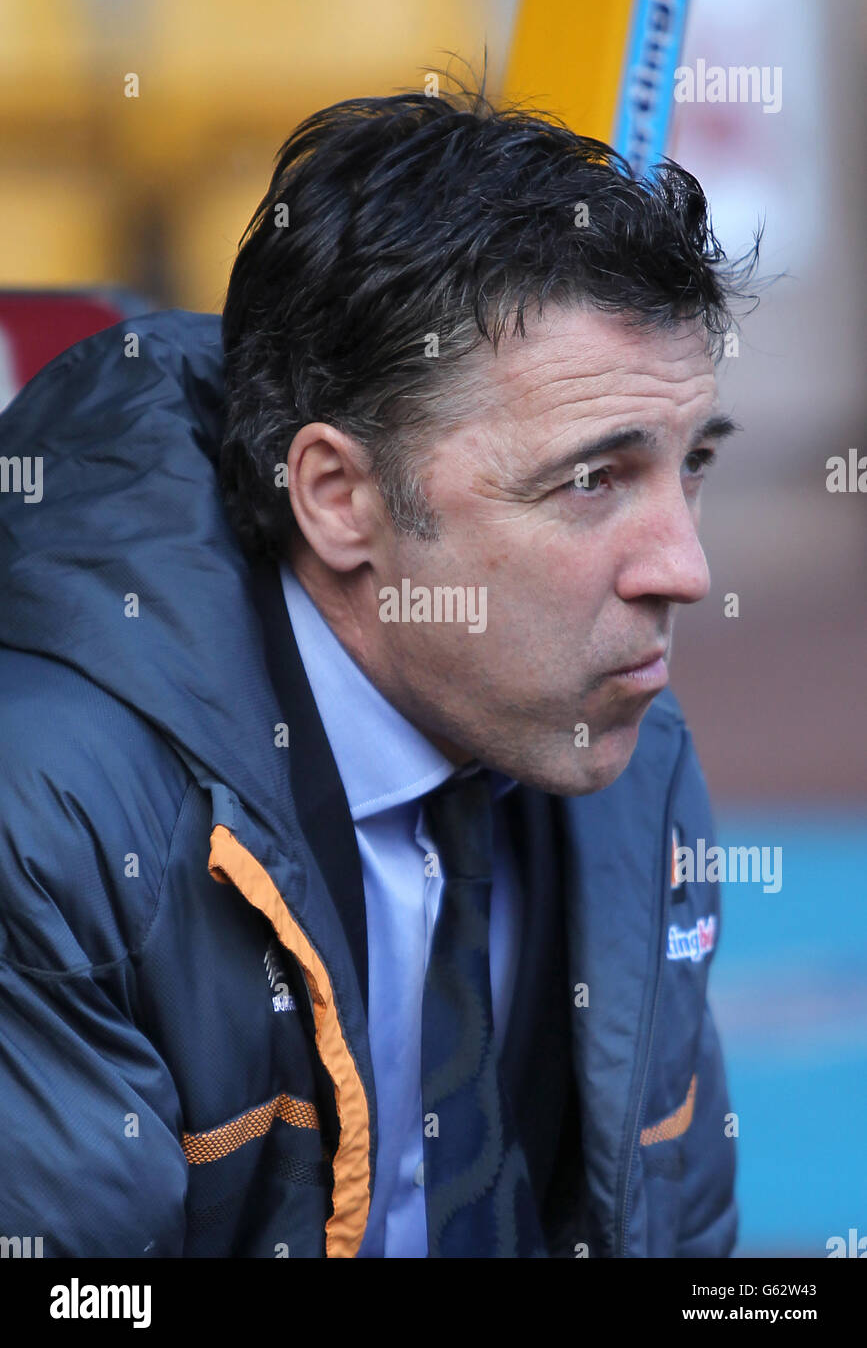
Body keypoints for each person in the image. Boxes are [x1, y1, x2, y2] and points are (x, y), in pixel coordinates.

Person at [0, 82, 758, 1258]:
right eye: (592, 481)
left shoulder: (628, 757)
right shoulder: (51, 817)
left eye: (688, 465)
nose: (684, 568)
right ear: (339, 499)